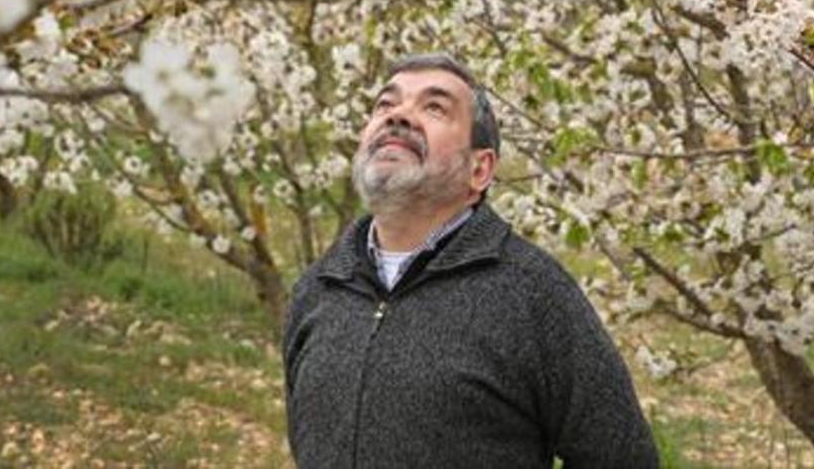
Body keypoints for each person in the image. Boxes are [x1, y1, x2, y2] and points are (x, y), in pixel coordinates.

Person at [281, 53, 659, 468]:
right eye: (385, 105)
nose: (399, 116)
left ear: (480, 169)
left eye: (434, 107)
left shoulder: (533, 295)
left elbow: (623, 457)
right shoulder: (318, 289)